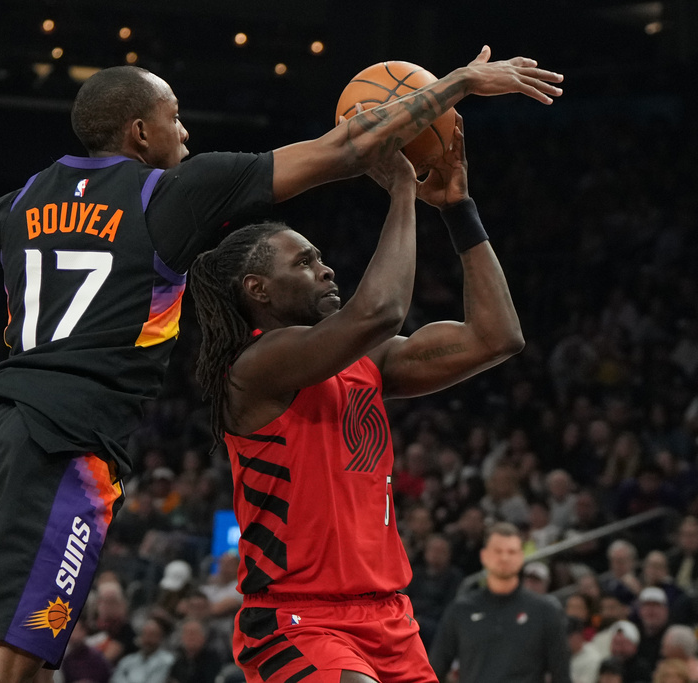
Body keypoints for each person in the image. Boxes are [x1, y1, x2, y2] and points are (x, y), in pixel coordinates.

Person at [0, 51, 562, 683]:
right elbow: (347, 147)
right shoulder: (169, 198)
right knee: (3, 661)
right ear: (140, 134)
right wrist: (455, 85)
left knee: (16, 653)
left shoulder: (22, 201)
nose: (186, 134)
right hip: (64, 440)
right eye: (174, 119)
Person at [189, 97, 527, 680]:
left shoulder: (367, 361)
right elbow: (381, 311)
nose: (325, 269)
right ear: (258, 290)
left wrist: (458, 209)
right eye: (303, 263)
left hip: (390, 617)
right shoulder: (255, 366)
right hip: (298, 619)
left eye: (320, 258)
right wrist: (402, 191)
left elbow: (497, 338)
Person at [430, 523, 570, 682]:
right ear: (484, 556)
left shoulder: (545, 611)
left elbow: (561, 676)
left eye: (511, 552)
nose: (504, 558)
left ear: (521, 557)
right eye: (498, 551)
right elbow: (435, 670)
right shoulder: (460, 610)